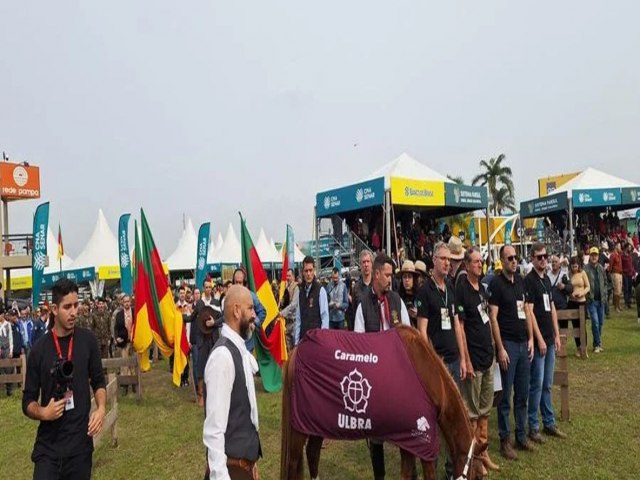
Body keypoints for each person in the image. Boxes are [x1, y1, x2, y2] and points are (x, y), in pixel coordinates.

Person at [22, 279, 106, 479]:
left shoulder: (88, 341)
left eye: (76, 305)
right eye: (67, 307)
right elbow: (27, 401)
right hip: (48, 450)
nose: (74, 312)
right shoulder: (39, 350)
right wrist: (43, 412)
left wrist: (101, 408)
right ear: (54, 309)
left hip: (79, 449)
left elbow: (98, 381)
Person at [353, 253, 410, 480]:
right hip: (374, 380)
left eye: (391, 275)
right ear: (376, 274)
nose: (390, 279)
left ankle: (409, 473)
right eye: (387, 275)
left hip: (397, 376)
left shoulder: (397, 300)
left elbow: (408, 335)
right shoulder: (363, 305)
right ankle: (380, 476)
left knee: (404, 426)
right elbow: (358, 345)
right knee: (376, 434)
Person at [415, 241, 468, 479]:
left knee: (453, 419)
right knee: (434, 420)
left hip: (454, 361)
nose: (448, 263)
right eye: (444, 259)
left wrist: (464, 358)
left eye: (450, 259)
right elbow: (422, 331)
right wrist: (431, 364)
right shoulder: (425, 291)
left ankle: (452, 469)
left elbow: (457, 324)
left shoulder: (451, 288)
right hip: (437, 366)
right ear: (434, 260)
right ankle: (431, 470)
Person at [203, 285, 261, 480]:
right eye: (251, 308)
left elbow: (248, 412)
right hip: (230, 472)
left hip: (242, 468)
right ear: (237, 311)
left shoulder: (239, 349)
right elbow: (214, 430)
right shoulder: (222, 357)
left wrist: (251, 462)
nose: (254, 314)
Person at [455, 247, 499, 475]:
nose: (480, 265)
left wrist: (493, 347)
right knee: (472, 413)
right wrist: (467, 360)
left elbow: (488, 320)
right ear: (466, 264)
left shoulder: (482, 290)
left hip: (487, 358)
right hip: (474, 360)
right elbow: (460, 328)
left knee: (485, 411)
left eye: (481, 262)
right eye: (476, 262)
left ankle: (483, 453)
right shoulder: (462, 290)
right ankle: (473, 459)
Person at [488, 245, 535, 460]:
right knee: (505, 396)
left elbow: (526, 310)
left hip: (523, 344)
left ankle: (521, 436)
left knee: (523, 393)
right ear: (502, 260)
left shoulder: (521, 282)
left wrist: (532, 339)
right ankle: (505, 439)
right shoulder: (496, 284)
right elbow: (493, 318)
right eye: (510, 258)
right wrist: (500, 348)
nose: (514, 261)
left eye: (516, 257)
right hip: (507, 345)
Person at [524, 243, 567, 446]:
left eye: (545, 256)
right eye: (539, 257)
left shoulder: (547, 280)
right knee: (537, 384)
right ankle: (533, 426)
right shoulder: (529, 281)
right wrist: (539, 338)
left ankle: (548, 422)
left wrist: (557, 335)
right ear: (532, 258)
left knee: (547, 384)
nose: (543, 260)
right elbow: (529, 312)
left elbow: (552, 308)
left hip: (550, 340)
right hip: (540, 340)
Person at [294, 256, 329, 345]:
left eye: (310, 270)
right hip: (303, 340)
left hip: (316, 341)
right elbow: (298, 319)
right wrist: (296, 343)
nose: (308, 273)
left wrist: (323, 341)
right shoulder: (300, 292)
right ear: (303, 272)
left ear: (314, 271)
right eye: (306, 271)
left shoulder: (321, 290)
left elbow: (325, 318)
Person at [585, 247, 607, 353]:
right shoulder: (586, 269)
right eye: (592, 255)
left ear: (598, 256)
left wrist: (605, 294)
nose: (594, 257)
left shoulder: (601, 268)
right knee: (595, 322)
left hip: (601, 300)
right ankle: (597, 344)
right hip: (592, 300)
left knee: (601, 323)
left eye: (596, 255)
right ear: (589, 256)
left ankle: (596, 343)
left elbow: (606, 283)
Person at [568, 256, 590, 356]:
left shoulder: (583, 273)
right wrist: (570, 294)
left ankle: (584, 347)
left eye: (576, 266)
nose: (574, 268)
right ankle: (578, 347)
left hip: (582, 302)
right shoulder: (569, 274)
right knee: (575, 325)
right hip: (572, 302)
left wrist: (582, 293)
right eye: (573, 266)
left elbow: (588, 287)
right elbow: (567, 288)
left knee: (582, 325)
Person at [350, 250, 374, 331]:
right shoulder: (355, 288)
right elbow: (353, 313)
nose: (366, 265)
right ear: (360, 265)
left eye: (368, 261)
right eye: (363, 262)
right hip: (361, 331)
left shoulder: (377, 285)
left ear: (371, 264)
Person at [279, 269, 299, 352]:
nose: (288, 278)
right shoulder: (286, 288)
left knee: (295, 348)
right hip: (287, 322)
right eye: (287, 276)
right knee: (288, 349)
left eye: (289, 276)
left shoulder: (296, 288)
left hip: (294, 322)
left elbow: (294, 304)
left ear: (293, 276)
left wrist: (282, 313)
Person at [397, 260, 419, 328]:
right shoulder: (397, 297)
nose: (407, 280)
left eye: (409, 277)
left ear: (414, 279)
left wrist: (418, 315)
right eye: (404, 277)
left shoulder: (421, 296)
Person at [609, 242, 623, 313]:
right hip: (615, 274)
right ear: (616, 247)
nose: (620, 247)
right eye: (619, 246)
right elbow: (610, 265)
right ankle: (616, 306)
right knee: (617, 291)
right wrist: (610, 273)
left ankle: (618, 305)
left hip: (620, 274)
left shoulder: (619, 255)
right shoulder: (613, 255)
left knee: (619, 291)